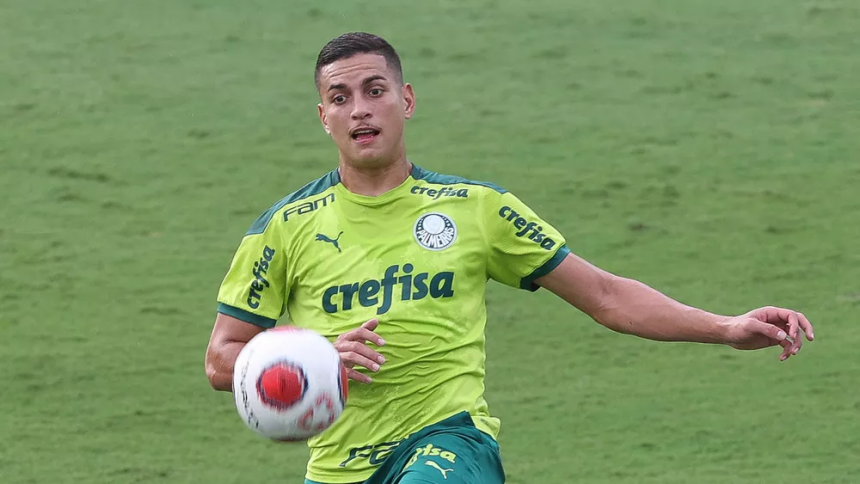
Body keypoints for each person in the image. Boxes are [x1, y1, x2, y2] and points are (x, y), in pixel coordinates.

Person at [204, 32, 814, 484]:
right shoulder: (285, 228)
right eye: (340, 97)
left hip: (449, 445)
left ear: (406, 99)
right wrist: (311, 356)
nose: (360, 108)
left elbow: (603, 294)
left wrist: (726, 328)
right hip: (337, 465)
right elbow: (221, 359)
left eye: (374, 90)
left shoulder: (477, 209)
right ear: (323, 117)